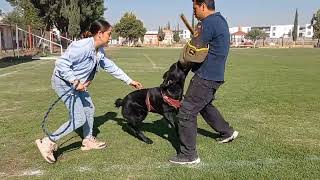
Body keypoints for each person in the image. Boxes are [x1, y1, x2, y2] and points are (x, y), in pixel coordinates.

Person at [35, 19, 143, 164]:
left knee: (89, 109)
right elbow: (61, 63)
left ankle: (88, 140)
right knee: (79, 118)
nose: (110, 37)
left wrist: (129, 80)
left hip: (77, 85)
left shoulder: (99, 51)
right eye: (109, 34)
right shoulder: (82, 47)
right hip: (64, 83)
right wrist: (75, 81)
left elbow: (111, 66)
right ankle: (47, 142)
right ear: (100, 33)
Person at [169, 0, 238, 165]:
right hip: (215, 75)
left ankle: (188, 155)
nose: (193, 12)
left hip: (206, 76)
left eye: (195, 8)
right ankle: (227, 132)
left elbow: (193, 53)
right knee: (205, 106)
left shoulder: (206, 23)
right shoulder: (220, 20)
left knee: (186, 112)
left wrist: (182, 63)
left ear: (203, 6)